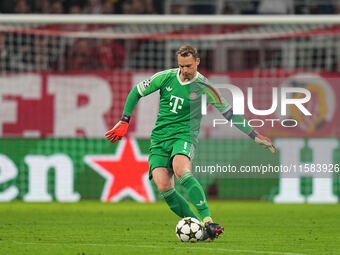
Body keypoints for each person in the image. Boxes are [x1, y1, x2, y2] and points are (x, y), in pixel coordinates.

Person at [105, 45, 277, 241]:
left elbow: (230, 114)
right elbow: (136, 91)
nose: (184, 70)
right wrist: (125, 120)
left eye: (188, 66)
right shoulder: (166, 77)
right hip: (160, 138)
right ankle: (204, 231)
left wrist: (255, 135)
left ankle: (208, 220)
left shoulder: (205, 86)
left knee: (181, 171)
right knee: (163, 187)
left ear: (197, 62)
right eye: (181, 66)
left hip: (184, 136)